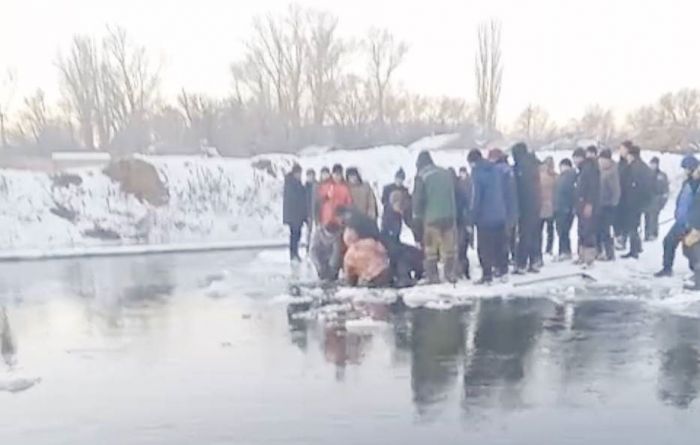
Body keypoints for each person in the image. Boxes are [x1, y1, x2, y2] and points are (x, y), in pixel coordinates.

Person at [413, 151, 458, 284]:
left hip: (432, 218)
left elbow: (418, 199)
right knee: (449, 248)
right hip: (449, 216)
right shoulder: (445, 173)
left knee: (430, 249)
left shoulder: (422, 176)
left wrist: (417, 217)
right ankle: (450, 274)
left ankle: (433, 277)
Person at [655, 155, 700, 277]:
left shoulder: (696, 184)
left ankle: (696, 272)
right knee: (669, 241)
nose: (684, 171)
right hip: (681, 221)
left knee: (691, 249)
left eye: (686, 168)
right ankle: (667, 268)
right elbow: (683, 201)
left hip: (692, 223)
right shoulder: (687, 183)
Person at [469, 149, 507, 284]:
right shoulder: (496, 170)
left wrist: (472, 217)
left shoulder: (477, 173)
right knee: (499, 245)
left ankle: (487, 276)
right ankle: (503, 272)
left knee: (484, 248)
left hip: (485, 217)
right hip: (500, 213)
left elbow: (476, 197)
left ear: (473, 162)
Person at [314, 164, 353, 279]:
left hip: (339, 222)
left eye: (339, 174)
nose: (337, 177)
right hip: (326, 220)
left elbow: (349, 203)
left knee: (339, 246)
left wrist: (346, 217)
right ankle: (324, 268)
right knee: (325, 245)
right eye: (336, 174)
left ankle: (335, 269)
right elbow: (318, 201)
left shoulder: (345, 188)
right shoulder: (326, 186)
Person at [380, 192, 424, 287]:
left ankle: (416, 274)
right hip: (388, 242)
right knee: (402, 255)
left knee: (414, 252)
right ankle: (403, 277)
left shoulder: (398, 213)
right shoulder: (389, 214)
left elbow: (409, 223)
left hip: (395, 242)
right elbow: (389, 231)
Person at [511, 142, 542, 274]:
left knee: (524, 236)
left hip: (525, 205)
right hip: (535, 204)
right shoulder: (533, 164)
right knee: (534, 234)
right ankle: (534, 261)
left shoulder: (521, 167)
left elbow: (521, 189)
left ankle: (522, 263)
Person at [620, 145, 653, 259]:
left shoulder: (634, 167)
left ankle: (634, 250)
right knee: (634, 226)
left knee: (632, 226)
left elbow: (633, 185)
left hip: (632, 202)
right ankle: (636, 248)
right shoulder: (643, 166)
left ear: (632, 155)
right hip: (639, 202)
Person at [490, 148, 519, 271]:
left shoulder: (497, 171)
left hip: (502, 210)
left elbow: (497, 192)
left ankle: (501, 265)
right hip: (513, 208)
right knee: (510, 237)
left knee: (501, 240)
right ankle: (513, 259)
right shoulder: (509, 169)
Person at [573, 147, 600, 268]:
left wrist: (589, 203)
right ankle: (582, 256)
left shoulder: (590, 169)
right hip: (581, 204)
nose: (574, 161)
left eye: (576, 158)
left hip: (587, 205)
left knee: (588, 231)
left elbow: (593, 188)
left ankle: (589, 259)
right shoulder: (582, 170)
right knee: (581, 231)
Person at [597, 149, 621, 261]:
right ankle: (600, 251)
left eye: (603, 160)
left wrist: (613, 203)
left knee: (605, 230)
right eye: (600, 160)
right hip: (599, 203)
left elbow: (616, 190)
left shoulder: (612, 172)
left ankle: (609, 253)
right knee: (599, 229)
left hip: (608, 205)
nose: (601, 162)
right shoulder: (600, 170)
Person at [283, 163, 307, 262]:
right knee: (294, 235)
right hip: (294, 215)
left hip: (298, 215)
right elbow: (294, 200)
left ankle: (295, 253)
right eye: (298, 173)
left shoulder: (297, 183)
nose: (299, 175)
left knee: (297, 235)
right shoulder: (291, 184)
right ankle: (293, 254)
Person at [554, 158, 577, 260]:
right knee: (562, 231)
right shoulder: (564, 177)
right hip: (561, 207)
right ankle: (563, 251)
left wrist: (569, 206)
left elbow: (569, 193)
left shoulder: (568, 177)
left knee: (563, 230)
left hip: (564, 207)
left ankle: (565, 251)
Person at [682, 165, 700, 290]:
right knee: (690, 249)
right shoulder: (696, 185)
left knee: (696, 251)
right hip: (693, 222)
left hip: (697, 225)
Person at [644, 156, 670, 241]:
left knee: (654, 217)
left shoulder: (661, 175)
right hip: (647, 198)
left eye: (654, 164)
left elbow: (665, 189)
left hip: (656, 199)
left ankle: (653, 233)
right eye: (651, 164)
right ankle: (647, 233)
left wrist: (662, 201)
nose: (652, 166)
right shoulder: (646, 174)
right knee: (647, 217)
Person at [538, 156, 557, 262]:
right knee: (550, 229)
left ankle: (543, 249)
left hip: (542, 206)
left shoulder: (540, 175)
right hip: (550, 205)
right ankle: (548, 248)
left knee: (541, 229)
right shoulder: (554, 176)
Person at [455, 166, 473, 279]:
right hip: (465, 220)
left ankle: (462, 271)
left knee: (461, 248)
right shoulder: (469, 184)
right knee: (463, 248)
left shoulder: (459, 187)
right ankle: (464, 271)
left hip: (462, 221)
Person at [615, 141, 633, 249]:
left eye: (622, 148)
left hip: (627, 197)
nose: (620, 151)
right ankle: (619, 238)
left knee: (626, 222)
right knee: (618, 220)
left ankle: (624, 240)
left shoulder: (630, 164)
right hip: (618, 196)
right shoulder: (620, 164)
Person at [304, 169, 318, 252]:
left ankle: (316, 246)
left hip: (317, 211)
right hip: (308, 212)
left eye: (312, 175)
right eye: (309, 176)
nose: (310, 177)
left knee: (317, 230)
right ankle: (308, 246)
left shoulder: (317, 185)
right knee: (308, 231)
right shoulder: (305, 187)